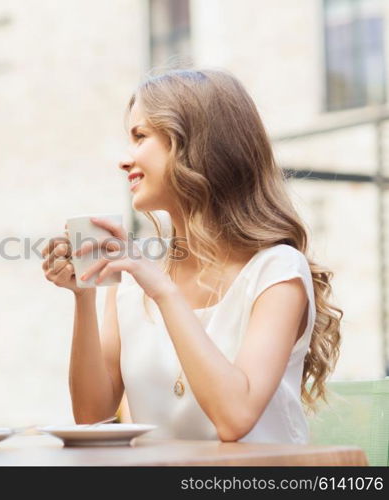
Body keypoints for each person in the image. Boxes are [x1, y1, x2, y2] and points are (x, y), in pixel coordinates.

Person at [41, 69, 342, 443]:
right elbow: (92, 417)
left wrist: (164, 292)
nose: (125, 159)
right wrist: (84, 295)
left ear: (194, 146)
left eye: (140, 137)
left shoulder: (277, 271)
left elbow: (234, 419)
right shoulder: (135, 283)